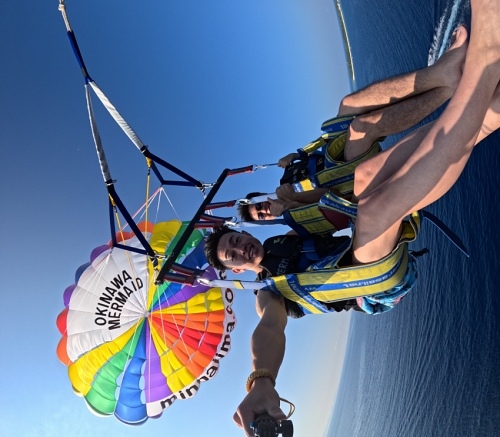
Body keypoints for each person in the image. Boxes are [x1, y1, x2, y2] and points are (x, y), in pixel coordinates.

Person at [228, 2, 500, 432]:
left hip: (358, 232)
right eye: (232, 254)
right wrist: (262, 380)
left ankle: (481, 103)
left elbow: (335, 217)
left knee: (367, 171)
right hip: (368, 278)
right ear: (237, 270)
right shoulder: (269, 293)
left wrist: (291, 197)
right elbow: (269, 330)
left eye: (235, 238)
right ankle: (482, 66)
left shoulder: (287, 233)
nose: (240, 246)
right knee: (375, 206)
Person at [238, 38, 467, 224]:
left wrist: (298, 153)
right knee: (361, 128)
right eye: (261, 215)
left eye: (259, 205)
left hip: (336, 156)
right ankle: (447, 91)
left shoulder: (286, 179)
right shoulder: (294, 221)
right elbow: (333, 203)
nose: (264, 209)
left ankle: (441, 74)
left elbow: (316, 151)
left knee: (349, 104)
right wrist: (293, 203)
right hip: (348, 181)